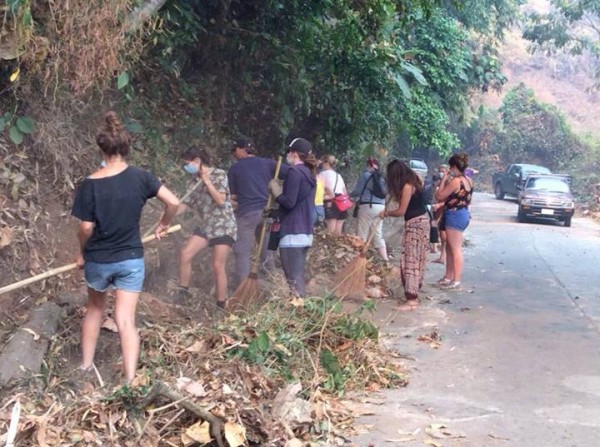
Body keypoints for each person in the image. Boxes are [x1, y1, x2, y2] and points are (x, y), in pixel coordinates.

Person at [72, 111, 180, 383]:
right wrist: (163, 225)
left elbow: (86, 228)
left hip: (98, 260)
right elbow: (174, 203)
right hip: (131, 258)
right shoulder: (141, 177)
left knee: (95, 309)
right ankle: (131, 379)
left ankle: (85, 367)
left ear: (102, 149)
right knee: (125, 319)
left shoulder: (90, 184)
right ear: (125, 148)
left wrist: (82, 253)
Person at [173, 146, 237, 307]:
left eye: (187, 163)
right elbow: (184, 205)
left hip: (223, 224)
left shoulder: (219, 174)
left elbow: (221, 200)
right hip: (206, 225)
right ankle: (183, 292)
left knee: (217, 265)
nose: (186, 167)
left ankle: (221, 304)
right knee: (186, 253)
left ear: (197, 161)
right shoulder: (193, 181)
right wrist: (168, 213)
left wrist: (207, 182)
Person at [227, 137, 286, 286]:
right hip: (267, 211)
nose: (234, 154)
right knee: (266, 247)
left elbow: (233, 195)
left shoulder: (236, 168)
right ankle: (272, 278)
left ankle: (244, 286)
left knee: (242, 250)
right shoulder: (267, 163)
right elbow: (289, 172)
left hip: (248, 213)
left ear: (241, 149)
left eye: (235, 151)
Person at [268, 138, 317, 297]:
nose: (287, 154)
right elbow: (298, 203)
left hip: (292, 232)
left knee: (294, 280)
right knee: (296, 277)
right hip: (304, 231)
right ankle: (300, 310)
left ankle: (300, 312)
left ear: (295, 153)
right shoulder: (308, 174)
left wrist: (276, 192)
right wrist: (274, 212)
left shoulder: (294, 172)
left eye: (289, 151)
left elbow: (289, 203)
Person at [379, 160, 429, 310]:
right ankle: (413, 293)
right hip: (420, 222)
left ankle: (412, 300)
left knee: (411, 261)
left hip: (416, 225)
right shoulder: (414, 181)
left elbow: (401, 211)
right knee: (415, 259)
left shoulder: (408, 186)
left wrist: (387, 213)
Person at [434, 153, 473, 289]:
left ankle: (456, 279)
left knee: (455, 249)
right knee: (450, 248)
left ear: (455, 167)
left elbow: (439, 195)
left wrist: (444, 179)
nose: (449, 170)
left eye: (450, 167)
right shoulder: (468, 180)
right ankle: (448, 276)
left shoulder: (456, 181)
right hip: (462, 214)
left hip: (455, 215)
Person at [350, 157, 388, 261]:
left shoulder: (365, 175)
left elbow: (358, 191)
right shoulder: (382, 177)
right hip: (381, 207)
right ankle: (386, 260)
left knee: (362, 233)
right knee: (377, 234)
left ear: (369, 166)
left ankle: (359, 260)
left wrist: (348, 195)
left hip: (367, 206)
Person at [319, 154, 348, 235]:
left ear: (326, 163)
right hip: (342, 202)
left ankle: (329, 247)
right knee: (338, 231)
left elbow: (319, 189)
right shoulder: (339, 176)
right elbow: (345, 191)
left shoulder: (322, 174)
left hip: (331, 201)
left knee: (330, 231)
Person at [432, 164, 449, 264]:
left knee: (444, 234)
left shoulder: (450, 183)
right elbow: (435, 195)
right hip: (437, 209)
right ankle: (437, 250)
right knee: (435, 228)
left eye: (443, 171)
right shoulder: (438, 183)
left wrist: (440, 205)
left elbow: (450, 200)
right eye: (440, 171)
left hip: (445, 209)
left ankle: (443, 255)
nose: (441, 173)